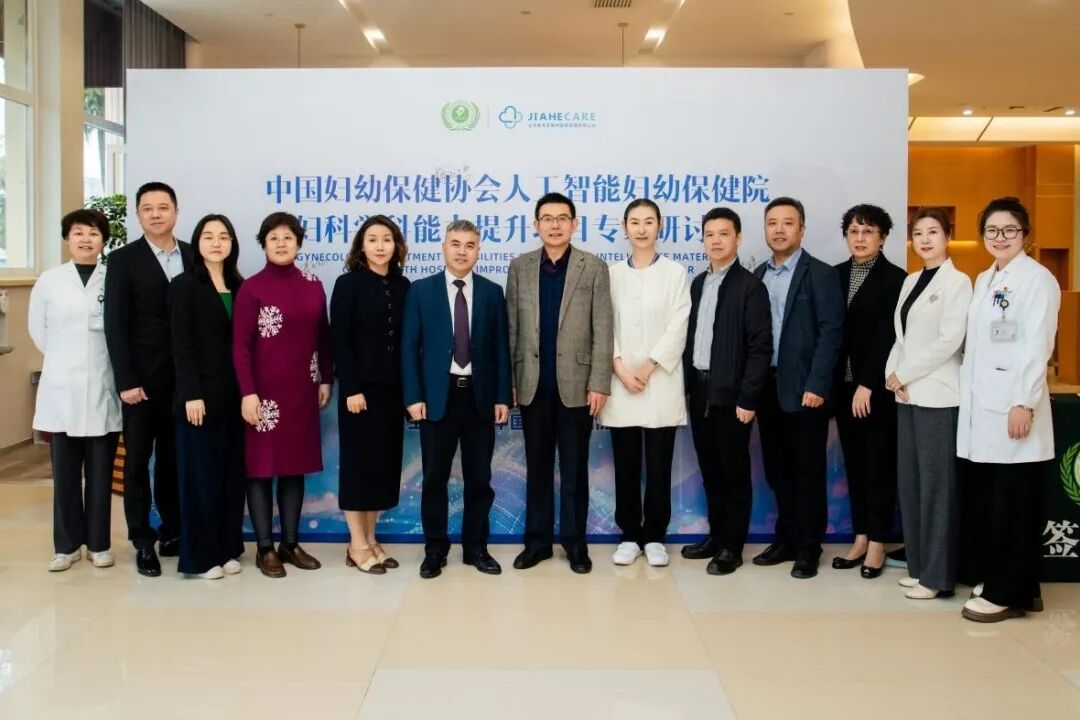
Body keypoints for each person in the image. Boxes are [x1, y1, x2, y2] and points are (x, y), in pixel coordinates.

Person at [957, 197, 1059, 623]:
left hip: (1015, 406)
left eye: (1009, 230)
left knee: (1013, 503)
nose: (1000, 238)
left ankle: (1006, 592)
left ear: (1025, 235)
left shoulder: (1038, 280)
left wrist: (1024, 401)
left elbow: (1038, 345)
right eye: (992, 231)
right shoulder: (986, 278)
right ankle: (1021, 584)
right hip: (984, 405)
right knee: (994, 500)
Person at [506, 192, 614, 574]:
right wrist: (510, 382)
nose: (555, 225)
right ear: (536, 225)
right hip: (532, 385)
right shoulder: (519, 267)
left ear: (574, 223)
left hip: (578, 387)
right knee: (536, 469)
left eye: (562, 218)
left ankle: (575, 543)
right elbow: (512, 329)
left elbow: (603, 328)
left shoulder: (593, 267)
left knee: (574, 471)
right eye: (547, 218)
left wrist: (599, 382)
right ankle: (537, 543)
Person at [401, 220, 511, 579]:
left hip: (479, 397)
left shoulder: (492, 292)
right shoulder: (421, 291)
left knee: (479, 478)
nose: (462, 251)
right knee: (434, 478)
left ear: (478, 250)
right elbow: (409, 348)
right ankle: (435, 549)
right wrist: (413, 396)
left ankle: (476, 547)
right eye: (455, 244)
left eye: (469, 245)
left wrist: (502, 396)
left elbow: (500, 348)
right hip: (437, 398)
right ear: (443, 248)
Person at [233, 212, 333, 578]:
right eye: (273, 238)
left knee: (294, 467)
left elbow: (324, 337)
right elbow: (240, 346)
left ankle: (290, 543)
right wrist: (247, 393)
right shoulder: (251, 288)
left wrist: (326, 379)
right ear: (263, 244)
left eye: (288, 237)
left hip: (302, 392)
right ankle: (265, 548)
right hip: (262, 397)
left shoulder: (313, 284)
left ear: (298, 243)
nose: (280, 243)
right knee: (260, 469)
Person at [752, 196, 844, 579]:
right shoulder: (758, 274)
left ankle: (809, 546)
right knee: (777, 470)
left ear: (801, 230)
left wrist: (818, 384)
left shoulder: (819, 274)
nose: (779, 230)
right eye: (772, 223)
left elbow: (831, 333)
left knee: (807, 471)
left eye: (787, 223)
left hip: (806, 390)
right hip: (767, 388)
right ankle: (786, 538)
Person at [104, 181, 191, 576]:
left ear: (176, 211)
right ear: (138, 214)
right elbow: (115, 324)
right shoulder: (123, 260)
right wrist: (126, 380)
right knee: (138, 461)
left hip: (184, 383)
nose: (156, 214)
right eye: (148, 208)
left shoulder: (192, 254)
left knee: (174, 460)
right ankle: (142, 539)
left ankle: (173, 530)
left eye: (163, 207)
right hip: (140, 384)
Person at [884, 207, 972, 600]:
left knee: (938, 488)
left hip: (938, 394)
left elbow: (949, 341)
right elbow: (901, 338)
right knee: (912, 484)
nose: (924, 239)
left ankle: (937, 577)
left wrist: (905, 373)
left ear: (948, 236)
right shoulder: (911, 280)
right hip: (907, 395)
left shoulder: (958, 282)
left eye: (933, 232)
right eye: (918, 233)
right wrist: (892, 375)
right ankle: (919, 568)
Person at [680, 207, 772, 575]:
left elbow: (760, 347)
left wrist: (748, 397)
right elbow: (690, 340)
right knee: (710, 470)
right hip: (701, 392)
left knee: (733, 473)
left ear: (738, 238)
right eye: (710, 234)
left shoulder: (750, 286)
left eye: (723, 234)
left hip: (733, 397)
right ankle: (716, 536)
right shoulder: (698, 283)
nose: (716, 241)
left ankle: (732, 547)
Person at [599, 199, 690, 568]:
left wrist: (649, 366)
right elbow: (603, 325)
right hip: (620, 383)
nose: (641, 229)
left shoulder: (675, 273)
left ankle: (654, 536)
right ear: (624, 227)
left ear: (659, 226)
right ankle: (629, 536)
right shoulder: (610, 274)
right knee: (625, 465)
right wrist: (620, 368)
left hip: (660, 382)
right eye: (634, 222)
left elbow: (679, 326)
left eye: (648, 221)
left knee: (658, 465)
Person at [30, 209, 122, 572]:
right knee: (66, 474)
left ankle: (99, 544)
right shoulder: (50, 281)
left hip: (102, 384)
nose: (86, 239)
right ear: (67, 239)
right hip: (62, 388)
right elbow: (38, 331)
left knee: (100, 473)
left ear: (104, 240)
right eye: (79, 233)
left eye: (94, 233)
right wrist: (66, 361)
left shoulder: (113, 278)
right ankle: (66, 546)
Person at [331, 215, 410, 574]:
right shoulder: (348, 284)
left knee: (381, 467)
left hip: (392, 393)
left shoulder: (403, 285)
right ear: (361, 246)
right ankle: (356, 544)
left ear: (396, 246)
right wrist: (351, 387)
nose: (380, 246)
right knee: (358, 467)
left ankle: (372, 539)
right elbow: (340, 340)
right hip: (359, 393)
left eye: (387, 239)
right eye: (373, 239)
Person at [831, 204, 906, 579]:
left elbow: (889, 337)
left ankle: (878, 542)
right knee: (855, 464)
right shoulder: (835, 275)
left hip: (876, 391)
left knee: (879, 466)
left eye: (868, 231)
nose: (860, 238)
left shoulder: (896, 279)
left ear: (883, 237)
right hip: (842, 389)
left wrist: (867, 383)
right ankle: (860, 537)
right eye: (853, 231)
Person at [170, 214, 246, 580]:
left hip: (235, 396)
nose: (216, 243)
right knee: (200, 476)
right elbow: (181, 344)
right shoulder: (184, 285)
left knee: (230, 474)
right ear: (197, 243)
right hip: (199, 398)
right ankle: (200, 558)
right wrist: (191, 393)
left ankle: (227, 547)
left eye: (223, 236)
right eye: (208, 236)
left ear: (232, 244)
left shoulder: (240, 286)